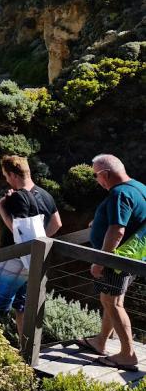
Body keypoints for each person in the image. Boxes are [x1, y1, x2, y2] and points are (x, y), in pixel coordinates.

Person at [0, 155, 61, 328]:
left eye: (6, 176)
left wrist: (1, 207)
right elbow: (57, 223)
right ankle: (26, 353)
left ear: (13, 175)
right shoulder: (46, 195)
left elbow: (19, 232)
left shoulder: (18, 197)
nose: (6, 180)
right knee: (23, 308)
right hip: (32, 262)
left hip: (12, 259)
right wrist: (38, 243)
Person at [80, 154, 146, 369]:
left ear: (105, 174)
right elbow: (132, 217)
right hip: (132, 257)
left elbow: (117, 230)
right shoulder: (139, 187)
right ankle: (101, 341)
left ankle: (128, 355)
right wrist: (98, 220)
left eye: (96, 176)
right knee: (110, 299)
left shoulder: (119, 193)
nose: (97, 180)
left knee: (113, 303)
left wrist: (101, 260)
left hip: (115, 260)